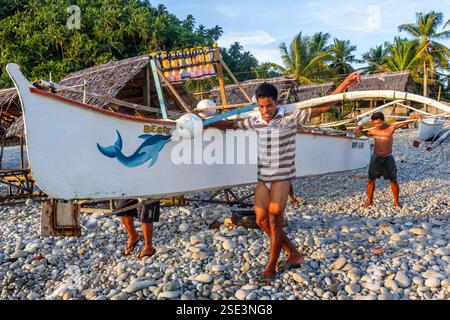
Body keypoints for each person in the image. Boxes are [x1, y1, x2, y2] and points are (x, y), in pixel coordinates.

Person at [208, 72, 361, 283]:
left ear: (276, 102)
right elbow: (232, 125)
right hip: (264, 177)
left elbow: (324, 106)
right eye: (261, 107)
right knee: (261, 221)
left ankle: (271, 266)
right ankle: (294, 254)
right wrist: (207, 124)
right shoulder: (255, 121)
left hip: (282, 176)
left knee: (274, 218)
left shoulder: (291, 117)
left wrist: (345, 83)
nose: (265, 111)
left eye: (268, 106)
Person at [355, 112, 422, 208]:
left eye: (379, 123)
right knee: (371, 180)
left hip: (388, 157)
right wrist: (359, 128)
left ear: (383, 120)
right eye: (375, 123)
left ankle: (396, 202)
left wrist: (415, 116)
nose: (377, 125)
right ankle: (369, 201)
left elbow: (406, 122)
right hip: (376, 158)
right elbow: (362, 132)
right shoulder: (373, 130)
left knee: (393, 180)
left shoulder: (391, 128)